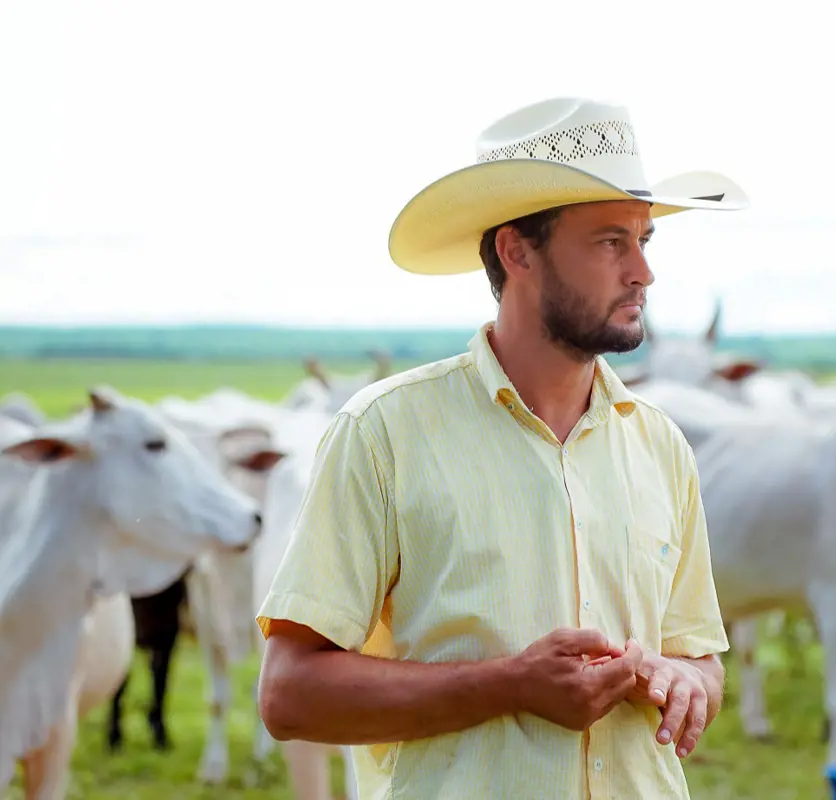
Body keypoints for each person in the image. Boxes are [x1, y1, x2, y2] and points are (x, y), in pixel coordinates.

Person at [255, 96, 749, 799]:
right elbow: (291, 695)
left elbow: (700, 660)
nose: (642, 271)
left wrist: (683, 681)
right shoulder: (384, 432)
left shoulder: (660, 444)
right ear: (517, 250)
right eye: (611, 242)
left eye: (645, 240)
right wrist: (510, 685)